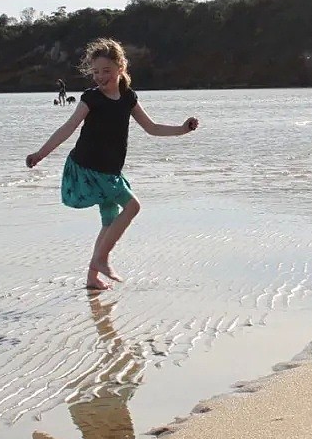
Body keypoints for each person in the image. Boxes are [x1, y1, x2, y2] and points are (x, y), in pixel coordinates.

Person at [26, 38, 198, 290]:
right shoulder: (91, 99)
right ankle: (101, 259)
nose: (100, 77)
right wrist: (41, 153)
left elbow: (152, 128)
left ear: (120, 68)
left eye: (106, 71)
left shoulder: (128, 97)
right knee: (133, 206)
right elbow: (68, 128)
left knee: (109, 222)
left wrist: (183, 129)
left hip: (110, 171)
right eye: (95, 72)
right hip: (88, 168)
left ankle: (92, 277)